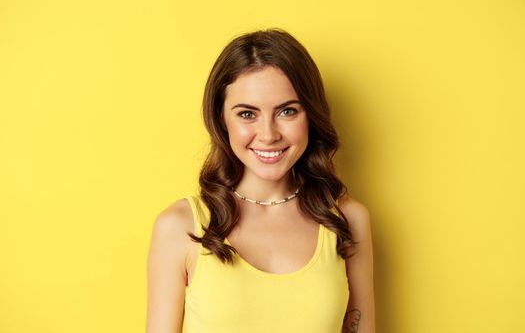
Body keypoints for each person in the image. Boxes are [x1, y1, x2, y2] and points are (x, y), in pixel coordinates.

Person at [146, 28, 376, 333]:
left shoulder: (347, 220)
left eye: (287, 111)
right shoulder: (180, 227)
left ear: (311, 115)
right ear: (221, 119)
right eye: (247, 114)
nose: (269, 135)